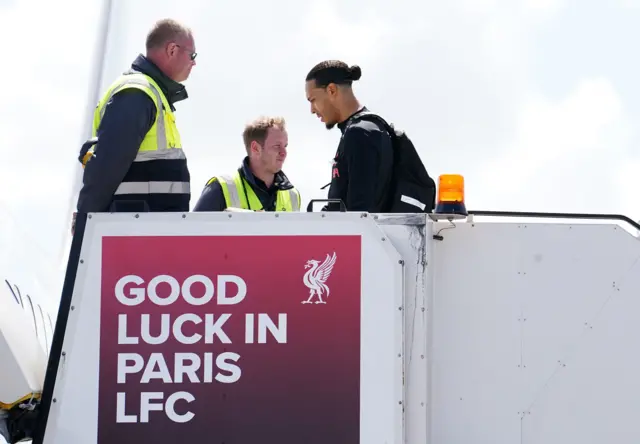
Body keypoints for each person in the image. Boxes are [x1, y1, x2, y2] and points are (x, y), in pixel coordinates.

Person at [75, 18, 196, 219]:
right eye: (191, 55)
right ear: (172, 50)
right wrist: (85, 221)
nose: (194, 62)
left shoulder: (152, 94)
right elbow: (107, 167)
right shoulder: (138, 93)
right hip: (134, 234)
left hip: (148, 232)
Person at [304, 60, 394, 212]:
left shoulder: (360, 133)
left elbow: (359, 215)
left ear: (332, 90)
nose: (312, 110)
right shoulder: (361, 130)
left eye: (313, 100)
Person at [193, 116, 301, 212]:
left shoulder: (293, 196)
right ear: (255, 148)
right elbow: (193, 231)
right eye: (277, 146)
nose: (284, 152)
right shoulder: (220, 188)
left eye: (285, 146)